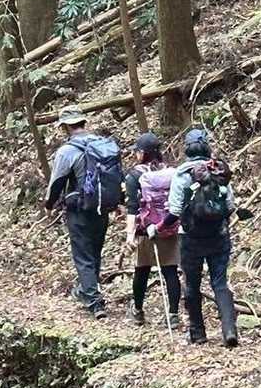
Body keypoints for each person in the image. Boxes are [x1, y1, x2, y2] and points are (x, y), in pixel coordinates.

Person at [159, 128, 249, 346]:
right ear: (207, 147)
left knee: (192, 284)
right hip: (219, 236)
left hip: (190, 238)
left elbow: (176, 210)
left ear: (186, 149)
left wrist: (159, 227)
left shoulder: (181, 174)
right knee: (220, 282)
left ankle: (197, 332)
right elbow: (230, 205)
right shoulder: (218, 171)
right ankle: (229, 330)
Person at [45, 106, 123, 320]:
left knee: (83, 254)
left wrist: (49, 204)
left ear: (66, 127)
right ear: (83, 122)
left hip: (79, 209)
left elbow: (57, 181)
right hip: (102, 207)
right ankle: (86, 289)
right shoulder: (103, 145)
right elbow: (117, 175)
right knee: (95, 251)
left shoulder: (67, 151)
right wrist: (119, 202)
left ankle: (94, 301)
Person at [123, 132, 181, 328]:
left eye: (137, 151)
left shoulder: (134, 175)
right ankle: (173, 315)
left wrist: (129, 235)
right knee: (170, 270)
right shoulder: (171, 172)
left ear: (142, 153)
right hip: (168, 226)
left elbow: (132, 208)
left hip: (145, 229)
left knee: (142, 270)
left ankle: (138, 311)